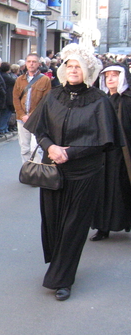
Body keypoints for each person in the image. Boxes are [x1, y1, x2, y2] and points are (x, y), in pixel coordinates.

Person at [25, 43, 120, 302]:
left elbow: (104, 141)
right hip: (53, 171)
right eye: (70, 65)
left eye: (78, 66)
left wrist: (70, 152)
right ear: (63, 69)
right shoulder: (53, 96)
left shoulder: (99, 101)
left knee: (74, 225)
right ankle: (58, 264)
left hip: (85, 173)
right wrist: (51, 148)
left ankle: (63, 278)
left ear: (88, 70)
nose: (73, 70)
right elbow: (39, 129)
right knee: (53, 222)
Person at [91, 64, 131, 241]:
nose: (111, 79)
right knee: (102, 190)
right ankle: (103, 227)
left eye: (115, 76)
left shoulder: (128, 100)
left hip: (124, 154)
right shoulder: (100, 99)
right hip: (104, 154)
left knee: (123, 189)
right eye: (108, 76)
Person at [13, 53, 51, 164]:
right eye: (29, 61)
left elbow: (45, 101)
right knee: (24, 148)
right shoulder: (20, 79)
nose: (31, 64)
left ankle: (37, 171)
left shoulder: (45, 80)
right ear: (25, 63)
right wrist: (22, 115)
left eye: (34, 62)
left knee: (36, 148)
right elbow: (15, 98)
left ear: (39, 64)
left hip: (37, 119)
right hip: (22, 119)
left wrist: (32, 115)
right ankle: (27, 170)